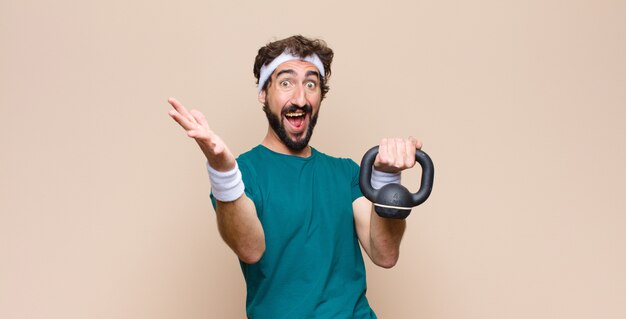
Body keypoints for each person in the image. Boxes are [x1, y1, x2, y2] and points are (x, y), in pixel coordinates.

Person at [168, 35, 423, 319]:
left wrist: (388, 183)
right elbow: (250, 249)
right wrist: (223, 172)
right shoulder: (244, 175)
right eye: (286, 82)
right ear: (264, 94)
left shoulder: (347, 173)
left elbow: (385, 254)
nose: (300, 98)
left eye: (311, 84)